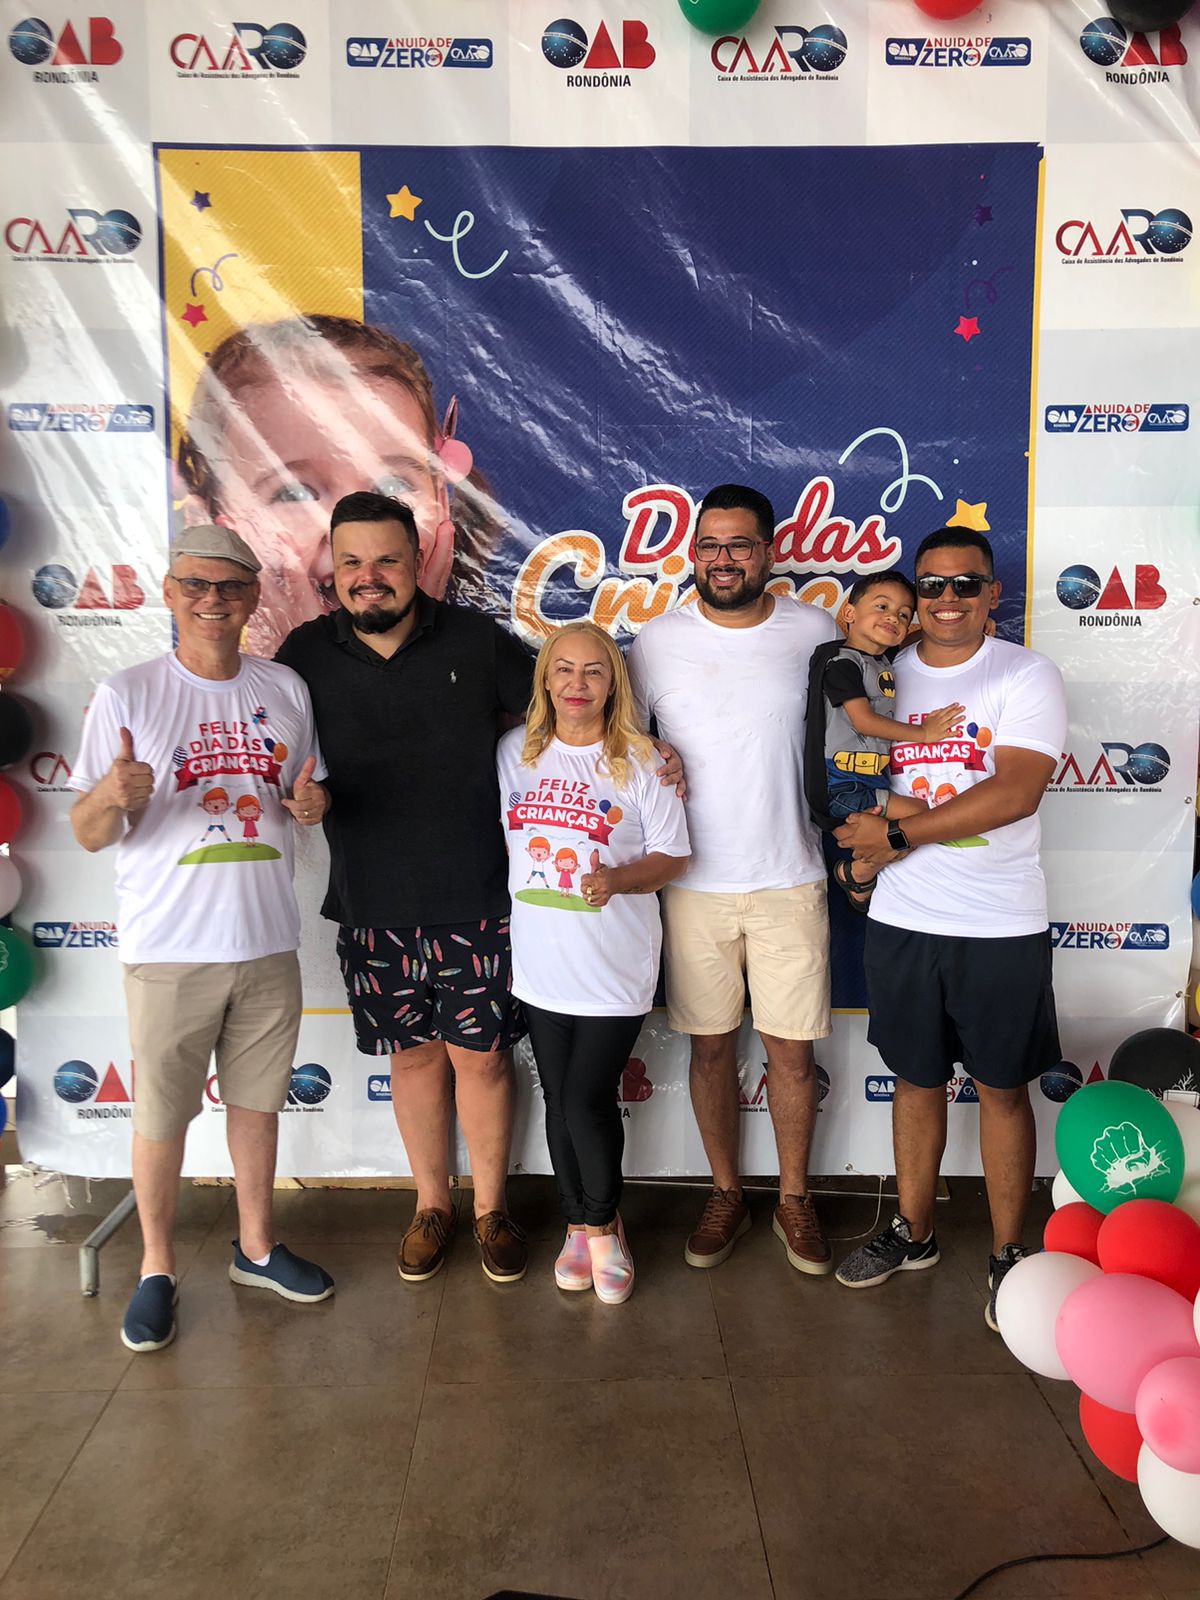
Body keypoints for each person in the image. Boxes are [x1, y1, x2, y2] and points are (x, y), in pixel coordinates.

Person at [68, 525, 335, 1354]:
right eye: (195, 584)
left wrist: (313, 805)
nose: (212, 599)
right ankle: (155, 1268)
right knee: (161, 1117)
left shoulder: (285, 688)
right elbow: (85, 832)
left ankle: (256, 1248)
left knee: (256, 1107)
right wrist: (110, 796)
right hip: (169, 949)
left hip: (266, 941)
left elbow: (308, 789)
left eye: (229, 585)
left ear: (253, 595)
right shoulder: (129, 693)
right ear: (169, 591)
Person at [832, 528, 1067, 1330]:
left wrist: (898, 834)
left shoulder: (1024, 673)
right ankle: (914, 1231)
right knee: (915, 1080)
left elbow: (1016, 792)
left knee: (1002, 1089)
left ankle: (1008, 1252)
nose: (945, 600)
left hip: (999, 923)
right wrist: (861, 858)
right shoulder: (880, 676)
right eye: (931, 585)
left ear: (992, 593)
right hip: (904, 919)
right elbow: (842, 772)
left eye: (965, 584)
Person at [627, 482, 840, 1276]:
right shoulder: (655, 642)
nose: (723, 559)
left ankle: (794, 1199)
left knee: (792, 1056)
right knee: (711, 1051)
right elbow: (621, 741)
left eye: (739, 545)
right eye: (710, 545)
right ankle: (725, 1194)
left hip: (792, 876)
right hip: (690, 882)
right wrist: (652, 751)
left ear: (768, 552)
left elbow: (853, 736)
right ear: (693, 554)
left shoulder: (817, 631)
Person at [498, 623, 690, 1303]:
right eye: (563, 670)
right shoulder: (514, 753)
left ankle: (606, 1227)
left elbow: (673, 858)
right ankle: (577, 1226)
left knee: (585, 1097)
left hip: (614, 967)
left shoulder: (643, 760)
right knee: (559, 1099)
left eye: (593, 671)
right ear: (545, 680)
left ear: (614, 684)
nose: (576, 684)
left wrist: (619, 880)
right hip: (540, 964)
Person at [176, 313, 503, 657]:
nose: (355, 531)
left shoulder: (488, 661)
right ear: (206, 528)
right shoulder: (186, 688)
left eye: (391, 487)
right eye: (294, 493)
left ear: (440, 503)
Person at [803, 571, 963, 912]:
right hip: (843, 784)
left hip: (868, 779)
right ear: (849, 613)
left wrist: (968, 631)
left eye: (904, 615)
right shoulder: (841, 663)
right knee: (920, 819)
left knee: (906, 828)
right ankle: (858, 872)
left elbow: (910, 640)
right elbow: (863, 720)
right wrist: (924, 734)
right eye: (882, 607)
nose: (893, 617)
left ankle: (859, 873)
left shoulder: (880, 660)